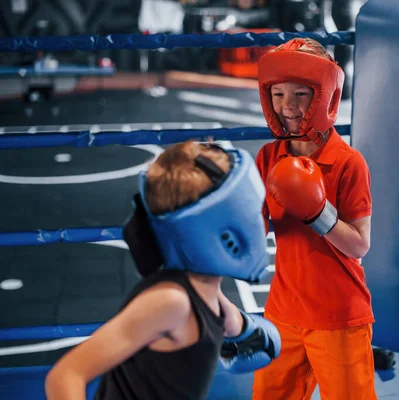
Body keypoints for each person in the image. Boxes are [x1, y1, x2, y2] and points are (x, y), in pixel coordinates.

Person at [45, 141, 281, 400]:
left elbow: (232, 322)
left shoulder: (206, 293)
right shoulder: (170, 302)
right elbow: (66, 375)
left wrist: (253, 332)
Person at [253, 37, 377, 399]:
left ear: (324, 95)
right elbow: (254, 228)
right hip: (283, 311)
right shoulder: (268, 156)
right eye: (278, 94)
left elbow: (360, 244)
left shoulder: (348, 162)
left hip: (337, 316)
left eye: (300, 94)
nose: (287, 106)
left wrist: (317, 212)